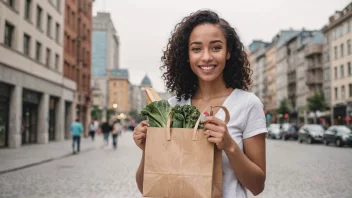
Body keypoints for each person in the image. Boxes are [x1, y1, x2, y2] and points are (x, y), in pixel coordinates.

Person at [133, 10, 267, 198]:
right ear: (187, 55)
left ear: (228, 52)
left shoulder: (248, 104)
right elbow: (147, 188)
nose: (206, 57)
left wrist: (230, 146)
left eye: (216, 48)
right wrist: (148, 149)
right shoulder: (172, 107)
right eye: (196, 49)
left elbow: (257, 186)